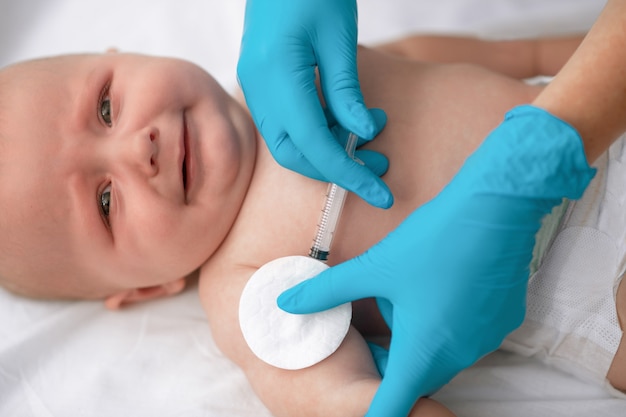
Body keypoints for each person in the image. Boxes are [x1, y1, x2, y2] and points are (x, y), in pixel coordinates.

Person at [1, 32, 620, 416]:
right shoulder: (247, 296)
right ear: (144, 288)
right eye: (106, 202)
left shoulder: (308, 52)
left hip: (602, 120)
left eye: (106, 107)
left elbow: (527, 55)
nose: (140, 150)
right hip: (591, 282)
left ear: (122, 52)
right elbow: (353, 403)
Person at [237, 1, 626, 415]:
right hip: (583, 284)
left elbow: (531, 54)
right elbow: (339, 396)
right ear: (156, 287)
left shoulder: (329, 56)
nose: (154, 146)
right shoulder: (240, 285)